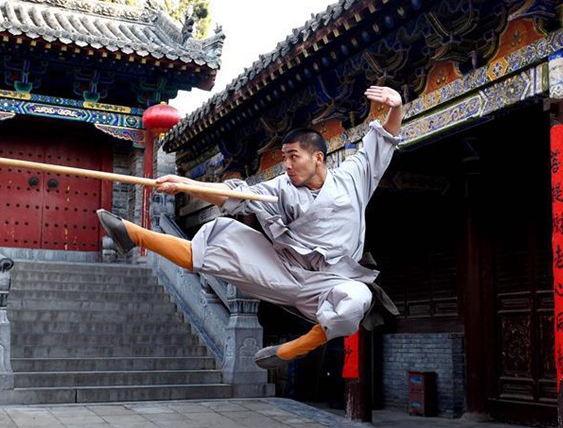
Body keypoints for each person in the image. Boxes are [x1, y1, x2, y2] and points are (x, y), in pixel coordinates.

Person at [97, 85, 403, 369]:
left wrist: (397, 107)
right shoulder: (280, 187)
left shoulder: (352, 178)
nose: (287, 165)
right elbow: (234, 197)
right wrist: (185, 184)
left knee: (357, 300)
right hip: (284, 271)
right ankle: (133, 234)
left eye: (293, 157)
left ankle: (296, 348)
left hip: (332, 283)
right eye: (284, 157)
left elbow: (382, 141)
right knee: (219, 244)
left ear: (318, 157)